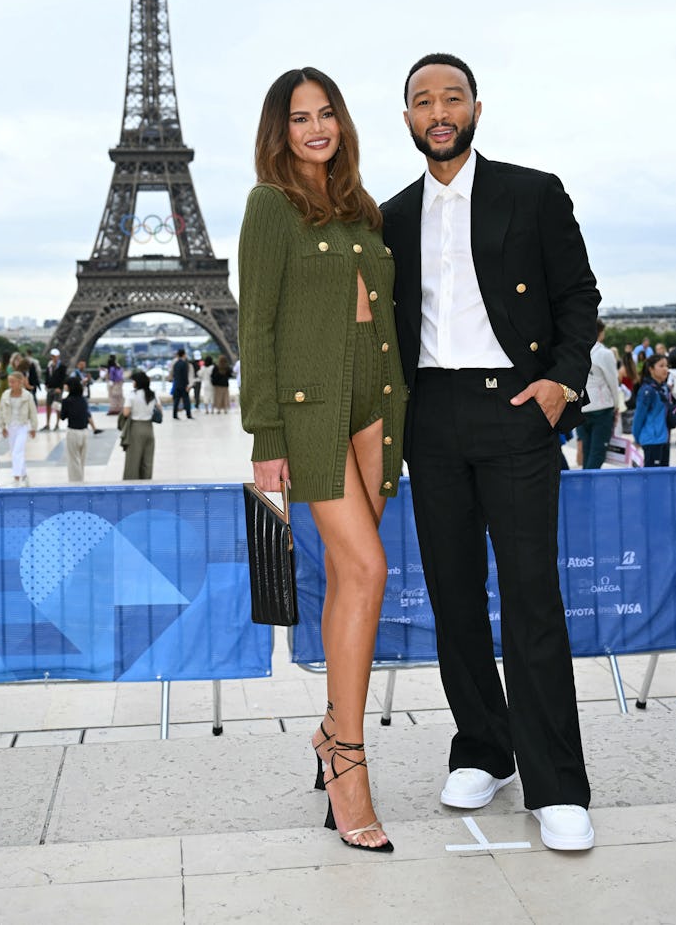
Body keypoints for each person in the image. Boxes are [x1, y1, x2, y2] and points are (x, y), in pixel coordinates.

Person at [381, 51, 598, 852]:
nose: (438, 111)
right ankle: (484, 747)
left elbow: (580, 296)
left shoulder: (533, 193)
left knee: (533, 597)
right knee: (454, 597)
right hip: (431, 418)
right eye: (421, 101)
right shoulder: (389, 217)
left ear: (475, 108)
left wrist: (559, 384)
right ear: (405, 118)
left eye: (452, 97)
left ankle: (557, 784)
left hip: (515, 409)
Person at [239, 66, 407, 854]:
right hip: (310, 419)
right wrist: (265, 437)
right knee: (369, 570)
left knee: (353, 578)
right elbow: (257, 325)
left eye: (326, 113)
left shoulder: (361, 209)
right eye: (299, 117)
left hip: (374, 407)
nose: (315, 127)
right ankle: (348, 758)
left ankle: (333, 735)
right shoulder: (271, 206)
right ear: (280, 131)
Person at [576, 320, 619, 469]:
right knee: (598, 451)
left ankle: (585, 482)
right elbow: (612, 380)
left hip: (580, 406)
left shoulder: (576, 350)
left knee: (586, 449)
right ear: (600, 333)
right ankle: (589, 484)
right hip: (601, 407)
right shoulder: (604, 353)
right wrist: (617, 404)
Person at [0, 371, 38, 484]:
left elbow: (33, 412)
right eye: (9, 382)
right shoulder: (5, 395)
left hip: (22, 426)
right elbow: (1, 411)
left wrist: (33, 427)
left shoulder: (27, 396)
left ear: (20, 382)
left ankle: (16, 478)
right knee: (15, 451)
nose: (11, 384)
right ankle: (24, 475)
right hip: (10, 427)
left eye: (13, 382)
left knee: (17, 452)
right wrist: (2, 427)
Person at [632, 353, 673, 467]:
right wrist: (636, 437)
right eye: (661, 366)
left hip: (664, 439)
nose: (665, 369)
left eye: (666, 365)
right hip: (651, 440)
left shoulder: (664, 388)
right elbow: (639, 416)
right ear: (651, 369)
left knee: (663, 476)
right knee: (652, 477)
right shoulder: (647, 391)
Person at [60, 375, 101, 482]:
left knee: (73, 460)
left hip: (73, 432)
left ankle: (75, 483)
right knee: (82, 460)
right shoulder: (83, 400)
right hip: (84, 431)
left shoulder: (66, 401)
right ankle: (81, 480)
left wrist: (59, 408)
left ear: (69, 386)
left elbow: (63, 417)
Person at [121, 369, 157, 479]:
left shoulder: (132, 395)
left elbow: (126, 413)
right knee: (147, 461)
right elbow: (158, 409)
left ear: (137, 382)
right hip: (149, 428)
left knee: (133, 459)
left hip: (136, 428)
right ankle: (146, 484)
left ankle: (132, 486)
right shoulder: (152, 395)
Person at [42, 349, 67, 430]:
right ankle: (48, 424)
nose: (54, 358)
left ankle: (57, 424)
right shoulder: (50, 365)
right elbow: (47, 376)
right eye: (53, 356)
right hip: (50, 388)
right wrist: (46, 384)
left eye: (55, 356)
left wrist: (60, 388)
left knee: (57, 406)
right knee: (48, 406)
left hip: (57, 389)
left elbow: (63, 378)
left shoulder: (62, 366)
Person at [171, 348, 193, 420]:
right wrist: (187, 385)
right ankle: (188, 414)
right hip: (183, 385)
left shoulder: (176, 363)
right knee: (186, 400)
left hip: (177, 384)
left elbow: (174, 374)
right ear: (184, 354)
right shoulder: (184, 364)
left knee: (176, 400)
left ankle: (174, 414)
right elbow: (185, 375)